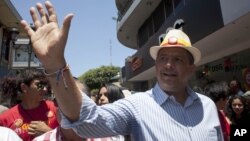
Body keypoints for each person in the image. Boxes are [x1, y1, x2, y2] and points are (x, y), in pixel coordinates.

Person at [20, 1, 223, 140]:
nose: (168, 65)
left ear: (191, 67)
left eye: (177, 59)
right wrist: (56, 65)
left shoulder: (208, 107)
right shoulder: (137, 106)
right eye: (163, 58)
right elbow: (85, 120)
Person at [0, 69, 59, 141]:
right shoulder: (5, 118)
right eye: (39, 85)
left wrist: (49, 132)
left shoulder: (56, 109)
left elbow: (70, 137)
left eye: (45, 85)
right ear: (24, 87)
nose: (45, 89)